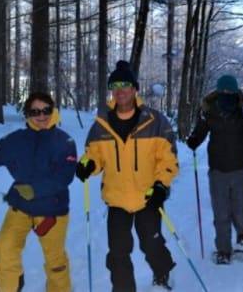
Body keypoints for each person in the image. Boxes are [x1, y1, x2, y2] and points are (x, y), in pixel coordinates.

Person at [75, 60, 179, 292]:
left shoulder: (155, 121)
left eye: (125, 85)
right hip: (117, 198)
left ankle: (163, 273)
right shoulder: (101, 124)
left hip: (148, 196)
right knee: (118, 252)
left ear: (134, 88)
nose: (120, 90)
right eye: (115, 85)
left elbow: (169, 159)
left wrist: (161, 185)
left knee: (151, 243)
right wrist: (87, 165)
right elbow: (94, 156)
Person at [0, 91, 77, 292]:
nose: (41, 116)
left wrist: (35, 190)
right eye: (35, 111)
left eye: (46, 110)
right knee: (4, 250)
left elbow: (64, 176)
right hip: (21, 207)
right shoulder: (17, 139)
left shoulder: (64, 142)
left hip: (52, 210)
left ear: (53, 110)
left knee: (55, 261)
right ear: (27, 114)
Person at [186, 74, 243, 264]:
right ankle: (223, 248)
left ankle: (242, 237)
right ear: (217, 90)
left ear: (236, 91)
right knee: (220, 211)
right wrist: (193, 141)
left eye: (230, 91)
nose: (226, 93)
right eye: (223, 90)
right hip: (217, 169)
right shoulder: (208, 110)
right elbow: (200, 130)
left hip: (240, 167)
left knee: (240, 208)